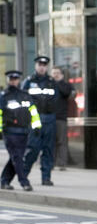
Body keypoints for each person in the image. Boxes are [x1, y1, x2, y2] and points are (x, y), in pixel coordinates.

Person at [0, 71, 41, 191]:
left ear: (19, 80)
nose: (13, 81)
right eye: (11, 79)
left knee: (15, 158)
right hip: (10, 132)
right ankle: (24, 182)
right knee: (17, 158)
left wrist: (37, 126)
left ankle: (4, 180)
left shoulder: (25, 95)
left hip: (24, 132)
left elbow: (33, 111)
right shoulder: (4, 96)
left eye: (15, 79)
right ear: (8, 80)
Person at [22, 56, 58, 186]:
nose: (42, 67)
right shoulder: (29, 81)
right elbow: (23, 100)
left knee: (48, 150)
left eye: (44, 65)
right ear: (36, 66)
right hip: (34, 120)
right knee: (33, 149)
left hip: (49, 119)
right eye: (40, 64)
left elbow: (56, 100)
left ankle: (46, 177)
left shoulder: (51, 82)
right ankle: (23, 175)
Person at [51, 66, 75, 171]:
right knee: (50, 141)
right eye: (53, 73)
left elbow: (66, 93)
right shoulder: (48, 85)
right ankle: (50, 162)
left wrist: (58, 83)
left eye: (57, 73)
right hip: (49, 117)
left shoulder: (66, 85)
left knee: (62, 141)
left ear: (61, 75)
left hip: (61, 117)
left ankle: (62, 163)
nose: (55, 75)